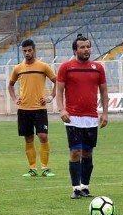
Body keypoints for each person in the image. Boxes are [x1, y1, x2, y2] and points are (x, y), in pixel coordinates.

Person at [55, 34, 109, 199]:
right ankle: (75, 188)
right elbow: (59, 90)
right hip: (73, 117)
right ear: (75, 50)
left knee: (87, 153)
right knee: (75, 152)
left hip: (91, 117)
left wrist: (105, 113)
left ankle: (85, 186)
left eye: (88, 47)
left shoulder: (98, 68)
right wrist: (61, 109)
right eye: (82, 47)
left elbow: (104, 91)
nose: (86, 50)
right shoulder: (66, 67)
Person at [8, 39, 57, 177]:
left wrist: (50, 97)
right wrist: (14, 98)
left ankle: (45, 167)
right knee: (28, 139)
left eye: (29, 50)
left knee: (43, 136)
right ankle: (33, 168)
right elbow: (10, 85)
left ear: (34, 50)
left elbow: (57, 82)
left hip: (39, 109)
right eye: (24, 51)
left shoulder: (43, 66)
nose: (27, 53)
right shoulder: (18, 68)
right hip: (24, 110)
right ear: (22, 51)